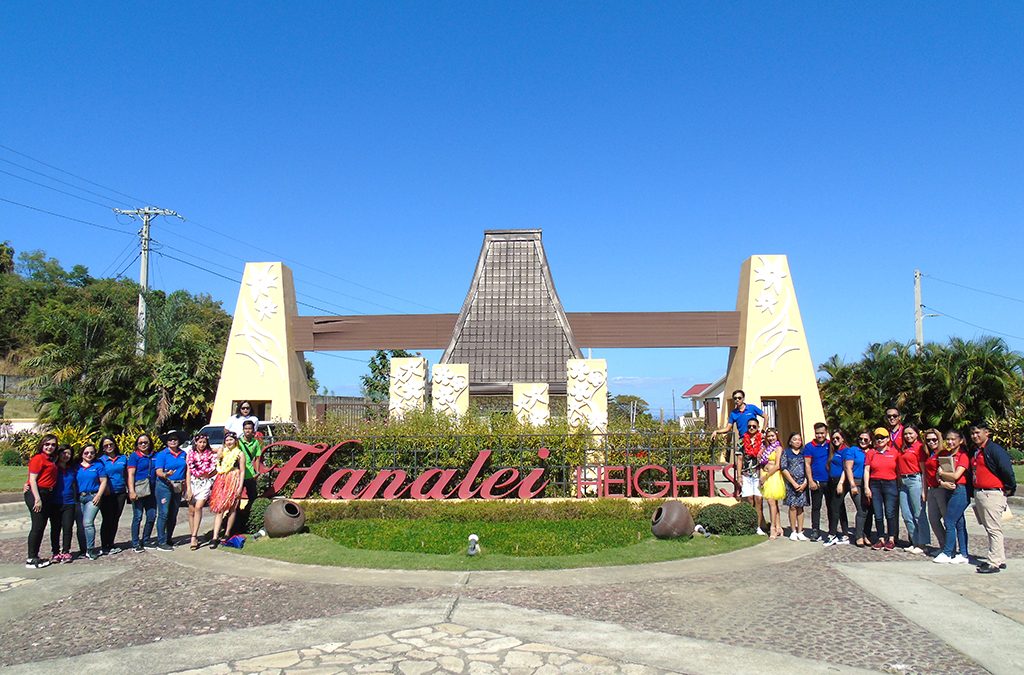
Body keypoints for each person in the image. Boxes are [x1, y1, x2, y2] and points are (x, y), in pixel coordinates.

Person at [969, 422, 1016, 574]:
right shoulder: (976, 451)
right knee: (991, 528)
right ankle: (999, 558)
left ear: (986, 433)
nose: (975, 436)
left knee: (993, 528)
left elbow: (1006, 470)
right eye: (972, 433)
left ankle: (993, 562)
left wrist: (1009, 487)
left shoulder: (994, 450)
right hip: (980, 492)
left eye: (977, 432)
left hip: (992, 493)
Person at [933, 429, 971, 565]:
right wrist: (942, 480)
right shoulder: (947, 455)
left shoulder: (963, 456)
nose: (950, 442)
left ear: (960, 440)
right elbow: (938, 474)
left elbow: (956, 475)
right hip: (948, 489)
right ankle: (963, 554)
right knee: (959, 522)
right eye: (947, 439)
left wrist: (942, 473)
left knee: (949, 521)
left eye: (953, 439)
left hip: (960, 490)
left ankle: (948, 552)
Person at [24, 434, 59, 568]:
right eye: (47, 444)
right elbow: (32, 479)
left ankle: (35, 556)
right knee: (37, 526)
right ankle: (31, 558)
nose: (50, 447)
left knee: (41, 526)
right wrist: (37, 498)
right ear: (42, 445)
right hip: (37, 493)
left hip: (46, 494)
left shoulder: (51, 459)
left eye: (53, 445)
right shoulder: (38, 458)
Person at [864, 427, 899, 551]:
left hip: (890, 483)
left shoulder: (894, 452)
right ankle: (880, 538)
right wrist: (866, 487)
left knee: (890, 512)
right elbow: (867, 469)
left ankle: (891, 538)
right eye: (877, 438)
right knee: (878, 513)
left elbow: (899, 469)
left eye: (882, 437)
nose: (880, 440)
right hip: (875, 484)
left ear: (888, 439)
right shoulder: (871, 453)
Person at [209, 430, 245, 548]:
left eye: (231, 440)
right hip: (221, 480)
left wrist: (239, 486)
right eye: (227, 440)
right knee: (219, 509)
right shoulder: (221, 452)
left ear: (235, 441)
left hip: (234, 480)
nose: (229, 442)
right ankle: (215, 537)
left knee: (232, 508)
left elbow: (242, 471)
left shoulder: (239, 453)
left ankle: (227, 533)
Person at [154, 430, 188, 551]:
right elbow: (158, 471)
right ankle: (161, 541)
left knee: (173, 514)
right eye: (170, 439)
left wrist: (186, 486)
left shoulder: (183, 454)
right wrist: (165, 475)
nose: (173, 441)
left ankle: (168, 538)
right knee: (163, 513)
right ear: (166, 442)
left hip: (178, 486)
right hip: (164, 485)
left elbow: (186, 470)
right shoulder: (162, 454)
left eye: (175, 439)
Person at [897, 425, 928, 554]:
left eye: (911, 433)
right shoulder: (904, 448)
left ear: (916, 434)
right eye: (905, 434)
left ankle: (922, 543)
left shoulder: (919, 447)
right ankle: (914, 541)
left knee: (918, 513)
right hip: (903, 481)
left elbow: (924, 470)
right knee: (906, 514)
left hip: (915, 480)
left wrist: (924, 489)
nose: (908, 436)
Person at [73, 443, 108, 560]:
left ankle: (90, 549)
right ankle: (83, 549)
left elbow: (103, 481)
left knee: (88, 523)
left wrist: (98, 495)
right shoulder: (76, 466)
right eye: (86, 453)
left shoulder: (98, 465)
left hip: (92, 497)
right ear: (82, 454)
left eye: (92, 453)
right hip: (79, 497)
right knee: (80, 525)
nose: (89, 455)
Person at [713, 390, 765, 465]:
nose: (737, 400)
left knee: (758, 460)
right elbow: (728, 428)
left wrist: (762, 432)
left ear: (743, 398)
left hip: (756, 438)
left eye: (739, 398)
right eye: (735, 398)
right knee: (740, 459)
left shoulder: (752, 408)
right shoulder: (733, 413)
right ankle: (740, 476)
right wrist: (716, 431)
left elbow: (766, 417)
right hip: (743, 439)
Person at [185, 432, 218, 550]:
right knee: (191, 510)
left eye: (204, 442)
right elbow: (188, 471)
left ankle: (194, 536)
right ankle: (193, 533)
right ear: (196, 442)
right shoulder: (191, 454)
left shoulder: (210, 454)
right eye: (200, 442)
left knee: (199, 506)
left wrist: (208, 476)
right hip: (193, 482)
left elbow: (216, 468)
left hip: (204, 483)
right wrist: (188, 488)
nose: (202, 444)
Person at [127, 433, 157, 553]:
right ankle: (135, 542)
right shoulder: (134, 456)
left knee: (151, 516)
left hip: (152, 490)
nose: (143, 445)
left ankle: (146, 539)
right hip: (139, 489)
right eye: (140, 443)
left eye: (145, 442)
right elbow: (131, 474)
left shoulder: (155, 455)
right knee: (138, 517)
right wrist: (131, 491)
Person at [736, 418, 768, 535]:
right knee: (749, 500)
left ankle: (758, 527)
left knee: (758, 500)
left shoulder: (764, 441)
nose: (751, 428)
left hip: (759, 474)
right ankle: (750, 525)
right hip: (746, 474)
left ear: (758, 427)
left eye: (754, 426)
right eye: (749, 426)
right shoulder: (741, 441)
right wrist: (739, 476)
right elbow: (739, 459)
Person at [98, 436, 128, 555]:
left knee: (115, 518)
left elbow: (126, 474)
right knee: (107, 519)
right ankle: (104, 544)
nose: (109, 447)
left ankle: (111, 542)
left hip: (120, 492)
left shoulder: (123, 458)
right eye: (106, 445)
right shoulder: (100, 460)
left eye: (111, 444)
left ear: (115, 445)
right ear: (103, 448)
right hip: (107, 493)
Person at [921, 428, 949, 556]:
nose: (931, 442)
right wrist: (924, 490)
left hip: (941, 489)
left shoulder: (943, 453)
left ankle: (949, 548)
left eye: (934, 439)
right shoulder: (929, 454)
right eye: (928, 440)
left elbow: (948, 471)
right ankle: (943, 545)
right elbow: (926, 474)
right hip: (932, 489)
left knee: (947, 520)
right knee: (933, 519)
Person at [802, 422, 831, 542]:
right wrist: (810, 481)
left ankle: (832, 531)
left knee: (832, 508)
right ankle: (815, 530)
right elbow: (807, 465)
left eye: (822, 433)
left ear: (826, 433)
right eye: (817, 433)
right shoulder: (809, 446)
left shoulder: (831, 445)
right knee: (816, 508)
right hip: (816, 482)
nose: (820, 436)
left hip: (830, 482)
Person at [50, 445, 77, 564]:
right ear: (59, 454)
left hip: (69, 502)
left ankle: (66, 551)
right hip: (55, 502)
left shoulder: (72, 469)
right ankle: (55, 552)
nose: (66, 456)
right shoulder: (53, 468)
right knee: (55, 528)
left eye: (68, 454)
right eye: (63, 453)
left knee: (67, 528)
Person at [237, 419, 265, 532]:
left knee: (253, 497)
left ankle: (248, 516)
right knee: (236, 498)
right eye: (246, 429)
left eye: (250, 429)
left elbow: (258, 458)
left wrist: (257, 471)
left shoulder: (255, 443)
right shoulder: (238, 442)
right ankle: (236, 519)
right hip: (239, 475)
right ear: (243, 430)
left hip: (250, 474)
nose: (248, 431)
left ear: (253, 430)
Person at [824, 429, 850, 546]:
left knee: (834, 507)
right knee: (840, 508)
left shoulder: (845, 451)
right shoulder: (834, 450)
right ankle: (845, 534)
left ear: (843, 438)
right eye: (833, 438)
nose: (835, 440)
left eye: (838, 438)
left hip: (841, 482)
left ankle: (832, 534)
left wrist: (841, 483)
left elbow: (846, 468)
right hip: (832, 481)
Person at [759, 427, 786, 539]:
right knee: (773, 503)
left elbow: (777, 465)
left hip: (773, 476)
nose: (771, 438)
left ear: (776, 436)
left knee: (771, 502)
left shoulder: (778, 448)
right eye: (769, 436)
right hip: (767, 475)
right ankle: (779, 527)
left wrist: (766, 476)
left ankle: (773, 528)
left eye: (772, 436)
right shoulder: (767, 448)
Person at [780, 432, 809, 541]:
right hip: (791, 483)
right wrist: (794, 483)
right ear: (790, 441)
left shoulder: (804, 453)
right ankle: (793, 530)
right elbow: (784, 468)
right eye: (795, 439)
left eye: (799, 440)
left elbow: (808, 467)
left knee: (800, 507)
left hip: (803, 482)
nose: (797, 441)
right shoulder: (786, 452)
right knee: (792, 507)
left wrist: (805, 482)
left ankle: (800, 530)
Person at [845, 431, 871, 547]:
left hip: (870, 483)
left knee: (869, 510)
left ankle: (866, 534)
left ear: (870, 441)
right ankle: (859, 536)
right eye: (861, 439)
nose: (863, 441)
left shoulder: (872, 451)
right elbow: (848, 468)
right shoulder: (853, 450)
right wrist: (852, 485)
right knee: (861, 509)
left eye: (866, 439)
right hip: (856, 481)